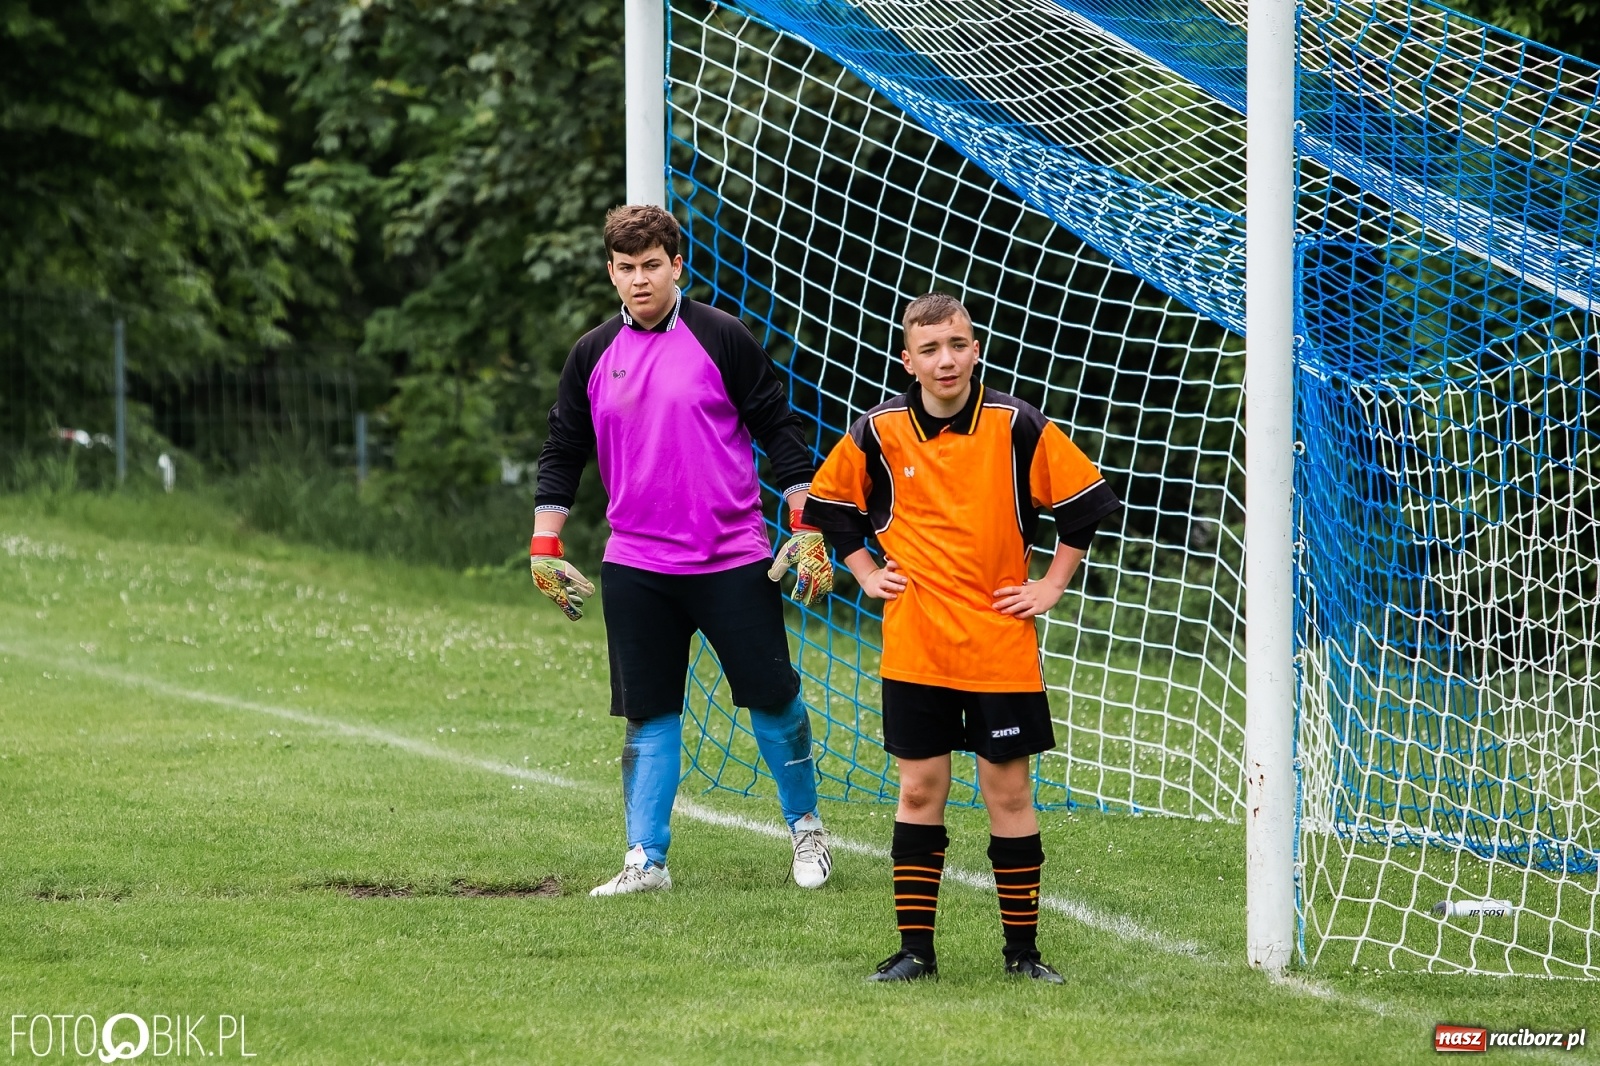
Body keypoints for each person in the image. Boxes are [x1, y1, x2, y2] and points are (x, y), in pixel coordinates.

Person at [803, 292, 1120, 982]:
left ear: (975, 348)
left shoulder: (1016, 425)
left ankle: (1024, 957)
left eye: (958, 344)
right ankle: (916, 952)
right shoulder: (879, 431)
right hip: (916, 643)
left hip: (999, 644)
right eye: (930, 349)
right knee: (920, 791)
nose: (946, 360)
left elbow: (1085, 504)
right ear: (908, 359)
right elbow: (829, 504)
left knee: (1008, 794)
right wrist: (861, 570)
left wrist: (1051, 586)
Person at [530, 204, 834, 896]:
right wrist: (544, 540)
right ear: (611, 272)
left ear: (677, 265)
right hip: (636, 565)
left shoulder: (721, 336)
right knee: (648, 712)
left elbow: (779, 432)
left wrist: (807, 524)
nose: (639, 280)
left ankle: (808, 828)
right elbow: (562, 450)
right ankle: (646, 861)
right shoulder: (591, 353)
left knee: (773, 698)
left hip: (731, 558)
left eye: (651, 266)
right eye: (626, 268)